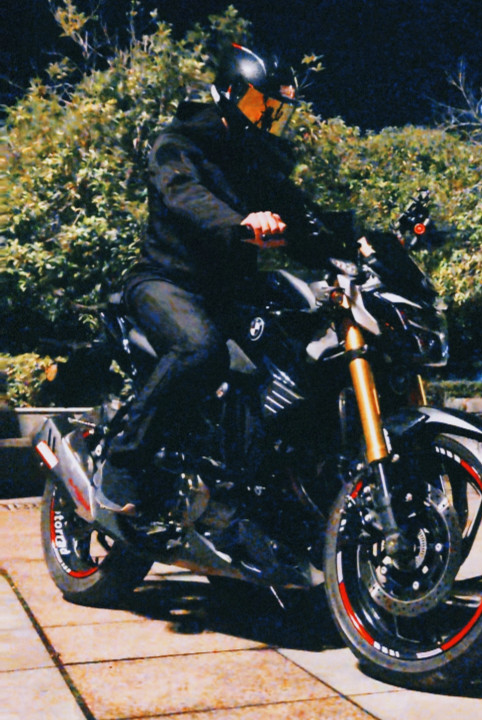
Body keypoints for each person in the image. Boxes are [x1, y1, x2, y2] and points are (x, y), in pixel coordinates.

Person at [96, 44, 348, 515]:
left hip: (228, 292)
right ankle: (123, 464)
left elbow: (303, 218)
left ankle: (260, 485)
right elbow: (185, 195)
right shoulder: (180, 141)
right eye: (262, 106)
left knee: (300, 346)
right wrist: (241, 223)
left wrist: (369, 242)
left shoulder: (259, 159)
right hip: (166, 281)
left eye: (277, 111)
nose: (269, 118)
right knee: (200, 350)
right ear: (231, 94)